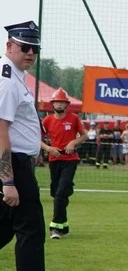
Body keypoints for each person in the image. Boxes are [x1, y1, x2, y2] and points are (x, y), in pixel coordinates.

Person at [0, 21, 67, 271]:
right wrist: (9, 180)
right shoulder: (7, 80)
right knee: (32, 232)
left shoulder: (18, 77)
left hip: (19, 164)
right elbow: (1, 130)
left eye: (35, 48)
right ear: (9, 46)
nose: (30, 53)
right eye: (24, 47)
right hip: (13, 165)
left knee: (4, 230)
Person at [40, 89, 85, 239]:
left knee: (59, 195)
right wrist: (48, 148)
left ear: (66, 104)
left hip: (70, 160)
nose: (59, 104)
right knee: (57, 194)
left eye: (62, 102)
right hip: (54, 160)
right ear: (52, 104)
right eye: (57, 102)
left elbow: (84, 135)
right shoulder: (47, 121)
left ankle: (55, 227)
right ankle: (64, 226)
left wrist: (73, 142)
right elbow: (35, 137)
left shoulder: (74, 118)